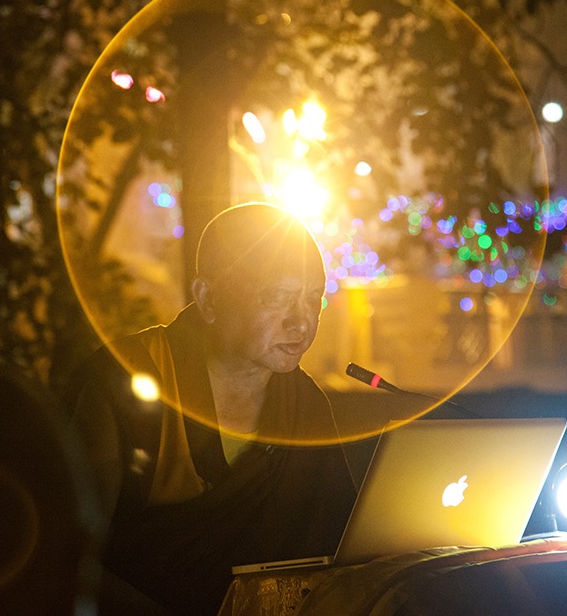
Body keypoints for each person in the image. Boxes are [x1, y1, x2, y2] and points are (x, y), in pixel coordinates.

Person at [71, 202, 359, 614]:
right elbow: (73, 554)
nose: (302, 322)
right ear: (208, 297)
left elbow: (344, 541)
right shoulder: (125, 382)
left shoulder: (303, 403)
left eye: (314, 298)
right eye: (278, 296)